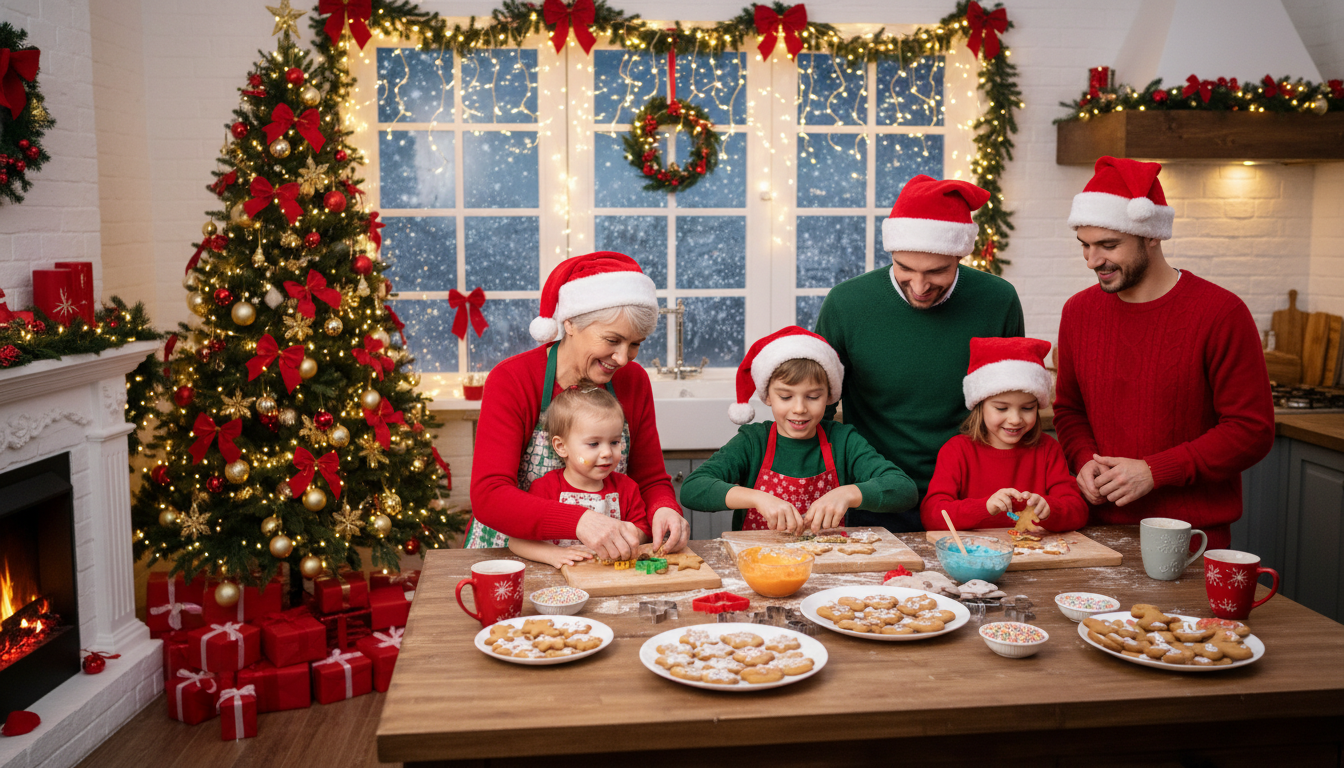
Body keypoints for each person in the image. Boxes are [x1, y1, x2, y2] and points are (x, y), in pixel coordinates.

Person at [1054, 156, 1275, 550]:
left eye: (1108, 245)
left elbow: (1251, 430)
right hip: (1096, 532)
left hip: (1191, 537)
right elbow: (1070, 410)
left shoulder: (1221, 313)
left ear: (1152, 235)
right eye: (1084, 246)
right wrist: (1083, 458)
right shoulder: (1078, 313)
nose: (1093, 261)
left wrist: (1155, 472)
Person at [816, 175, 1025, 532]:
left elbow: (1013, 401)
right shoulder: (847, 303)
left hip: (971, 497)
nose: (919, 286)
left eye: (936, 271)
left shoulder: (998, 300)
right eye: (904, 269)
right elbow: (819, 406)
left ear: (960, 254)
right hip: (873, 493)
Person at [468, 252, 689, 560]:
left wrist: (663, 508)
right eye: (612, 340)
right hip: (514, 555)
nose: (623, 358)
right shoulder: (512, 379)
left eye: (635, 344)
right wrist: (579, 520)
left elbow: (650, 477)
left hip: (598, 559)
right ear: (570, 322)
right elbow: (490, 497)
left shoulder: (633, 381)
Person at [680, 326, 917, 533]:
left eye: (813, 396)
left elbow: (903, 489)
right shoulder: (753, 442)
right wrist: (757, 498)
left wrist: (847, 494)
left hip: (827, 562)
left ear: (829, 396)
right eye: (785, 396)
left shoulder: (843, 441)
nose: (799, 408)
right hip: (760, 566)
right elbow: (693, 488)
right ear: (768, 396)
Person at [922, 336, 1087, 533]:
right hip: (975, 557)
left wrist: (1050, 509)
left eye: (1027, 408)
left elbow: (1078, 511)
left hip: (1035, 556)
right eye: (1001, 408)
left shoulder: (1048, 449)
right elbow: (932, 515)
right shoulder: (956, 451)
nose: (1015, 419)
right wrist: (984, 508)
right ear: (979, 406)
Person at [509, 383, 651, 568]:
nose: (607, 452)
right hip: (559, 581)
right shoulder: (545, 488)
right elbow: (516, 541)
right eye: (594, 444)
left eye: (614, 442)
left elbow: (643, 530)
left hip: (611, 578)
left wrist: (633, 534)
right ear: (561, 447)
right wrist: (553, 555)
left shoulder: (627, 488)